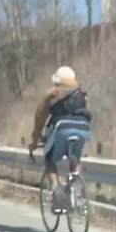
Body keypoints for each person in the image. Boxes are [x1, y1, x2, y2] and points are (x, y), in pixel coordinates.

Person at [28, 66, 92, 213]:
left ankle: (57, 191)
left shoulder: (53, 94)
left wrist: (36, 139)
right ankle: (72, 189)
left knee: (50, 158)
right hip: (83, 128)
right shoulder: (82, 95)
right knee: (74, 158)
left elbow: (40, 118)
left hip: (62, 128)